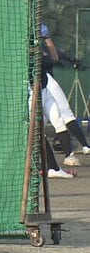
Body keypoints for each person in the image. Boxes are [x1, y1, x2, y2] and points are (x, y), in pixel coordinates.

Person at [39, 22, 90, 167]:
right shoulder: (26, 40)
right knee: (39, 125)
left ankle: (67, 157)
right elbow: (52, 58)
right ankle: (83, 147)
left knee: (58, 119)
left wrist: (47, 37)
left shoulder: (40, 41)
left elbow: (55, 56)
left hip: (44, 83)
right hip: (36, 84)